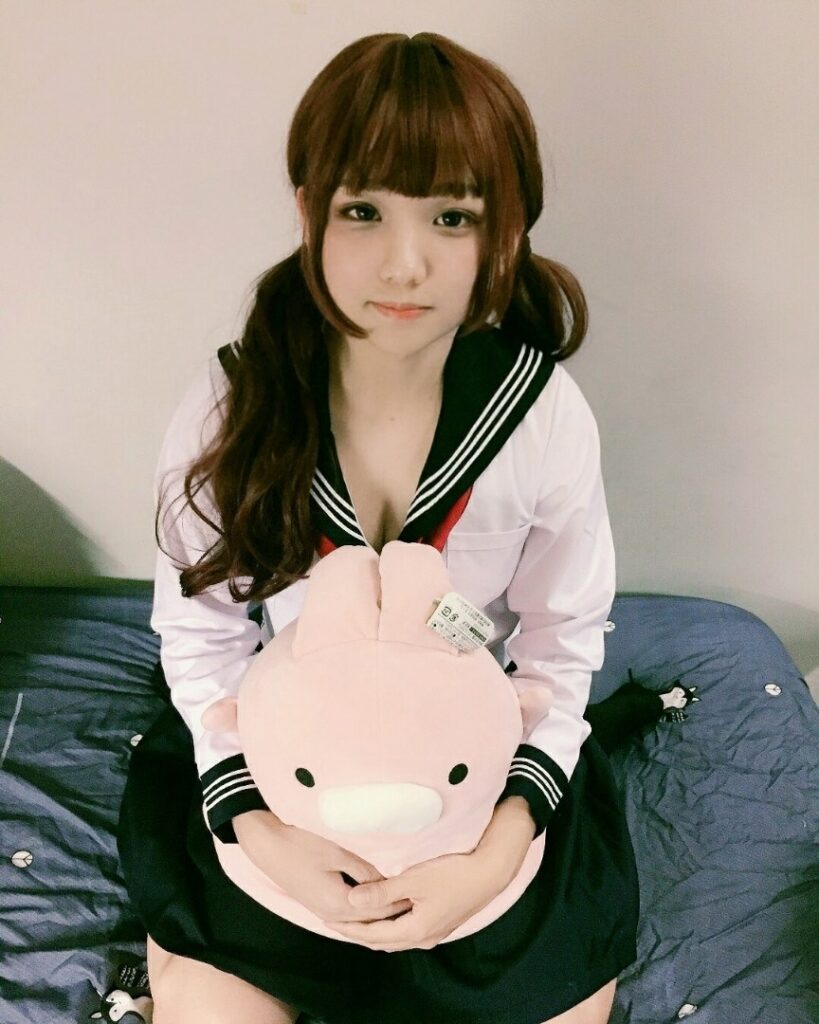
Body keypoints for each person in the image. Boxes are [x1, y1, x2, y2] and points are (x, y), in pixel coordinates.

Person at [117, 30, 640, 1024]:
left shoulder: (541, 417)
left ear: (503, 232)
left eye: (452, 216)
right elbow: (200, 635)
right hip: (283, 763)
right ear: (309, 211)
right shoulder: (232, 407)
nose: (405, 264)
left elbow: (561, 646)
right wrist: (263, 830)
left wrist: (492, 852)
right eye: (363, 210)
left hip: (475, 768)